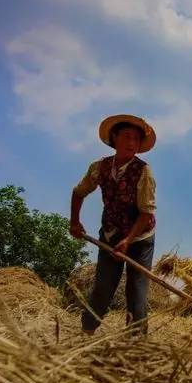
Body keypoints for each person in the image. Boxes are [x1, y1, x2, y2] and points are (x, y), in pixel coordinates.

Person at [70, 114, 157, 336]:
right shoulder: (100, 167)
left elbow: (146, 213)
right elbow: (78, 192)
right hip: (110, 234)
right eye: (127, 136)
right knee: (102, 290)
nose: (131, 143)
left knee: (136, 295)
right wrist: (75, 221)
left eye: (136, 140)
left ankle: (137, 346)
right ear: (114, 138)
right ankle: (85, 335)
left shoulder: (144, 172)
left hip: (139, 239)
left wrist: (128, 241)